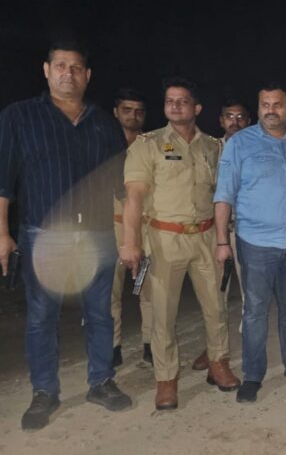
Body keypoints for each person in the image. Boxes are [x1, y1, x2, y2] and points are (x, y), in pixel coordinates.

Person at [0, 39, 132, 431]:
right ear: (46, 71)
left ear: (87, 75)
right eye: (60, 66)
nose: (67, 74)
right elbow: (3, 182)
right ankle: (44, 392)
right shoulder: (19, 116)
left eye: (75, 68)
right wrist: (2, 233)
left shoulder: (104, 123)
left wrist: (130, 237)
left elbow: (121, 187)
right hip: (43, 236)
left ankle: (101, 382)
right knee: (42, 316)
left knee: (100, 312)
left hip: (97, 235)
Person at [120, 77, 240, 411]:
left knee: (216, 306)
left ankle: (218, 363)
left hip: (206, 236)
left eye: (182, 101)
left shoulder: (213, 147)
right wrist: (130, 243)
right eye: (169, 101)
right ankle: (166, 380)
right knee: (162, 313)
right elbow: (134, 197)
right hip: (163, 238)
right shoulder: (148, 144)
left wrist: (223, 238)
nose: (175, 105)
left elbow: (223, 194)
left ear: (197, 108)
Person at [214, 83, 286, 403]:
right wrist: (222, 241)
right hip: (256, 242)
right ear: (259, 108)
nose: (270, 110)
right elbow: (224, 194)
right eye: (265, 104)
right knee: (255, 310)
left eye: (277, 104)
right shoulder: (240, 143)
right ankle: (253, 374)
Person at [191, 99, 251, 372]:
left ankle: (251, 342)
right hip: (216, 232)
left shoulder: (256, 147)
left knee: (251, 291)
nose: (234, 122)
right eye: (229, 117)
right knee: (216, 294)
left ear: (248, 121)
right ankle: (214, 348)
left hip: (246, 230)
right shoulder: (211, 149)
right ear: (221, 120)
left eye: (240, 117)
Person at [110, 87, 152, 367]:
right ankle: (112, 347)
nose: (133, 115)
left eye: (138, 111)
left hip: (146, 229)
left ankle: (150, 343)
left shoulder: (153, 144)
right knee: (110, 292)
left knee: (149, 289)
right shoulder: (103, 145)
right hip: (111, 227)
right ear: (116, 112)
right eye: (127, 109)